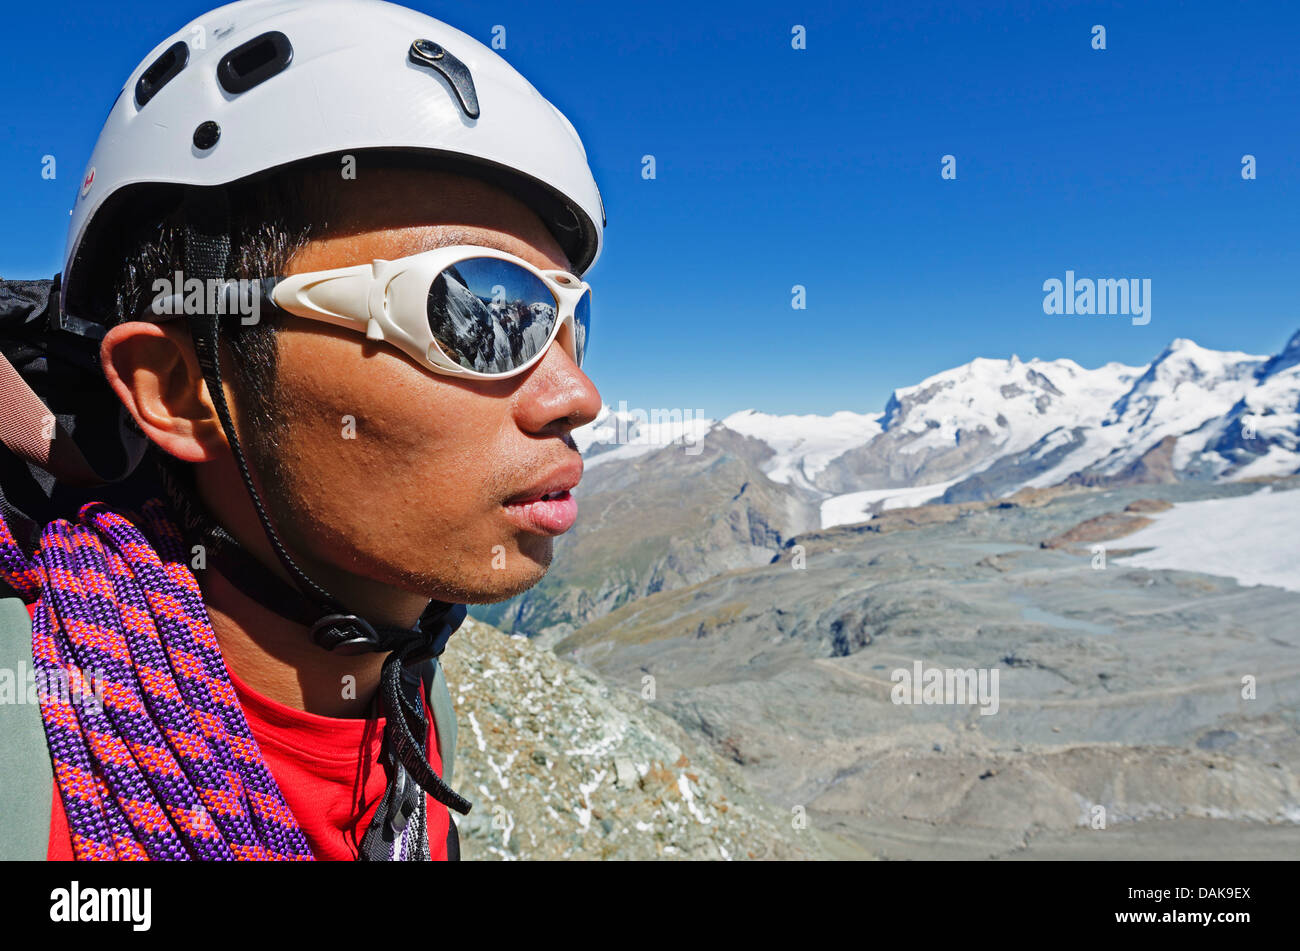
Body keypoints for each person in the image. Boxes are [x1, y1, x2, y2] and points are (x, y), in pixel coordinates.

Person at [0, 0, 604, 861]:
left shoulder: (414, 721)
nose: (578, 393)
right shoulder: (21, 766)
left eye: (570, 319)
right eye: (474, 312)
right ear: (179, 392)